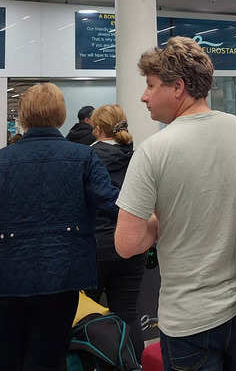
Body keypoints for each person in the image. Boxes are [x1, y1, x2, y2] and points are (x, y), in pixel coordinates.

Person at [114, 37, 236, 371]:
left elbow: (127, 244)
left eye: (151, 85)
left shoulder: (153, 151)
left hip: (190, 319)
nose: (144, 96)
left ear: (178, 88)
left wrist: (159, 219)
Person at [0, 83, 120, 371]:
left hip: (3, 280)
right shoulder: (84, 157)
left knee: (9, 361)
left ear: (23, 117)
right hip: (60, 279)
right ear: (61, 116)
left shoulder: (0, 160)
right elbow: (114, 206)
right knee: (48, 358)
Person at [87, 104, 145, 359]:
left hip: (95, 246)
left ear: (98, 129)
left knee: (89, 313)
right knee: (127, 313)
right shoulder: (138, 156)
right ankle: (133, 363)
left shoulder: (87, 157)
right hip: (133, 243)